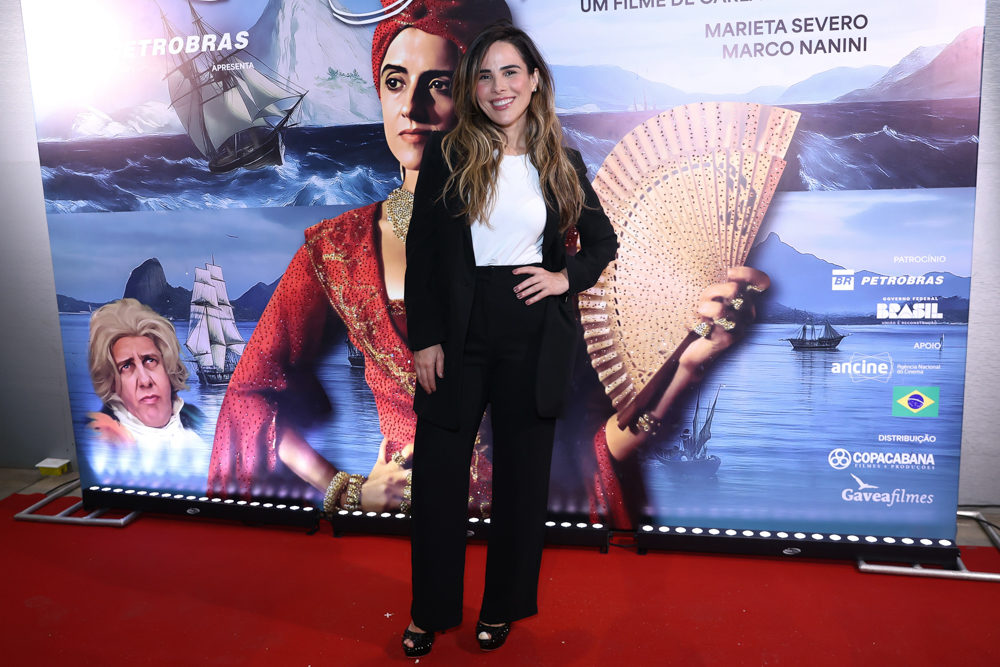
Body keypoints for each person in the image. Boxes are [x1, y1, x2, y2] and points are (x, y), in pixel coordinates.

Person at [400, 22, 771, 656]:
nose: (498, 87)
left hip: (533, 332)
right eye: (485, 75)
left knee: (521, 483)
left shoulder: (561, 163)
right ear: (471, 87)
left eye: (510, 72)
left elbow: (602, 243)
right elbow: (424, 250)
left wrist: (562, 277)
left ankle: (500, 607)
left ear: (534, 81)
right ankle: (428, 613)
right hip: (456, 334)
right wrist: (425, 339)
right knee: (437, 481)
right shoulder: (448, 155)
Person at [207, 0, 512, 512]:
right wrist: (345, 489)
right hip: (404, 525)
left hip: (528, 520)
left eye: (439, 85)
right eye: (395, 82)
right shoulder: (339, 249)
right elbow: (248, 397)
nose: (411, 107)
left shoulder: (543, 228)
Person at [87, 298, 205, 452]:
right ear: (113, 383)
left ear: (168, 367)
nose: (144, 380)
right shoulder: (101, 442)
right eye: (126, 366)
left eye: (150, 360)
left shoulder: (199, 421)